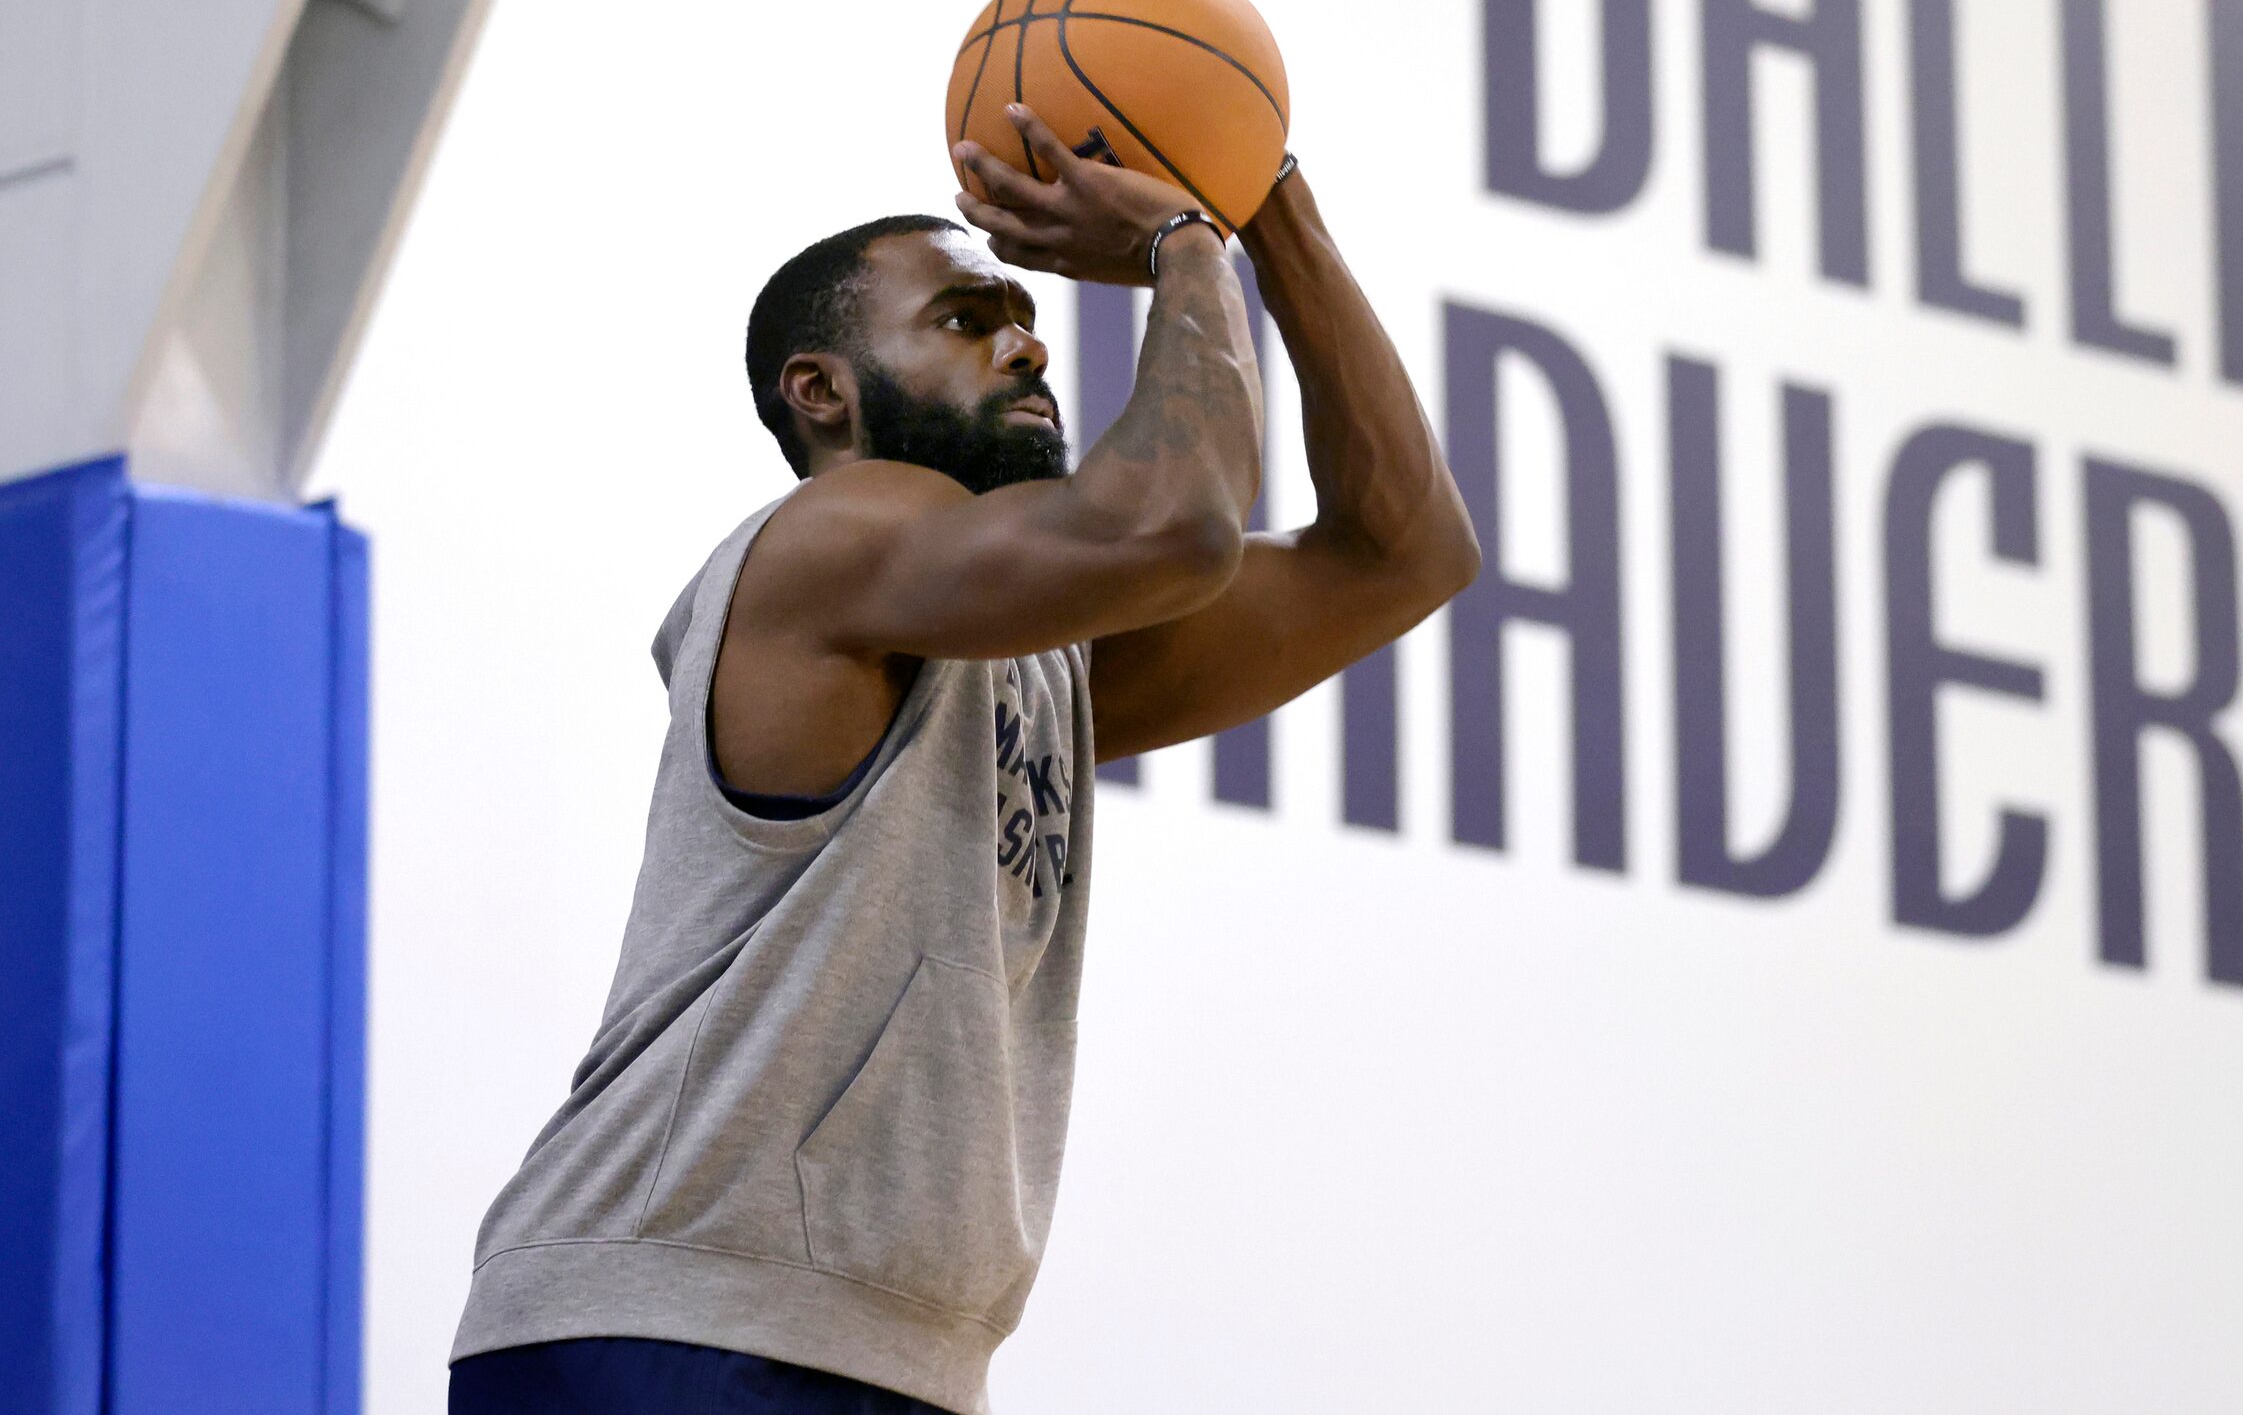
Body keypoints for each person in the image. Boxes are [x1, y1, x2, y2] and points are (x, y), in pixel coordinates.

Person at [446, 107, 1479, 1414]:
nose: (1029, 339)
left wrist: (1272, 200)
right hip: (671, 1312)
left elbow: (1404, 557)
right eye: (964, 316)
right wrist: (1182, 238)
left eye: (1022, 313)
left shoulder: (1043, 653)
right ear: (819, 389)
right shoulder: (829, 540)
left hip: (894, 1353)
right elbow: (1179, 528)